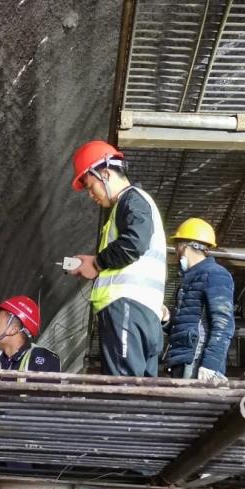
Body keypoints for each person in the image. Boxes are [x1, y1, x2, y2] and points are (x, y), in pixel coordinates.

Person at [69, 140, 166, 377]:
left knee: (122, 386)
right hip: (145, 315)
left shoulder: (131, 200)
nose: (90, 194)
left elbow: (134, 243)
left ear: (104, 173)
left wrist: (97, 263)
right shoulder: (136, 204)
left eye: (90, 186)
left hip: (127, 308)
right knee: (142, 390)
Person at [163, 218, 234, 380]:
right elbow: (188, 323)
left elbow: (223, 324)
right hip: (182, 359)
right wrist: (167, 319)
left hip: (197, 360)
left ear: (185, 247)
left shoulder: (215, 274)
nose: (176, 252)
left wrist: (210, 364)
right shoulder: (190, 279)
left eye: (176, 247)